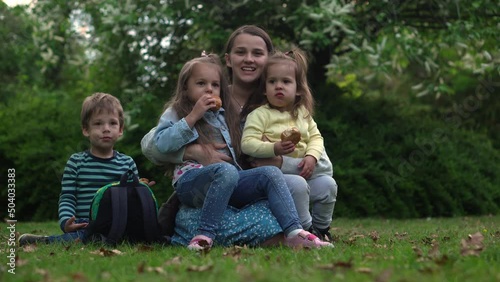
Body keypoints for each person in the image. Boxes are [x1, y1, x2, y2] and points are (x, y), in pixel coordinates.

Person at [142, 25, 337, 245]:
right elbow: (151, 144)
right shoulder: (210, 100)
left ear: (269, 60)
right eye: (241, 52)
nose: (249, 59)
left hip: (257, 186)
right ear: (228, 59)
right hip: (214, 183)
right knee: (222, 207)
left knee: (304, 188)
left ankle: (298, 233)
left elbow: (321, 164)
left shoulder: (282, 104)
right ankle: (218, 234)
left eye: (257, 53)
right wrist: (192, 151)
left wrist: (279, 161)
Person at [19, 93, 141, 246]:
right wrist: (66, 221)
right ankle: (45, 241)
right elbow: (68, 197)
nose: (106, 129)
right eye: (98, 124)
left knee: (133, 236)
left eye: (112, 123)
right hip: (85, 225)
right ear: (86, 129)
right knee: (82, 236)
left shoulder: (127, 163)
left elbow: (134, 201)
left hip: (118, 225)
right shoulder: (76, 162)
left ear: (121, 129)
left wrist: (141, 190)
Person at [241, 48, 337, 240]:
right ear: (264, 89)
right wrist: (273, 148)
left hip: (304, 171)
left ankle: (322, 228)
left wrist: (311, 156)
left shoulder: (303, 114)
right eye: (272, 82)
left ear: (298, 89)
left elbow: (316, 138)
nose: (278, 86)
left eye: (286, 81)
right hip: (281, 181)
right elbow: (247, 144)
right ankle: (306, 230)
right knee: (299, 185)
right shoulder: (260, 115)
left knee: (328, 184)